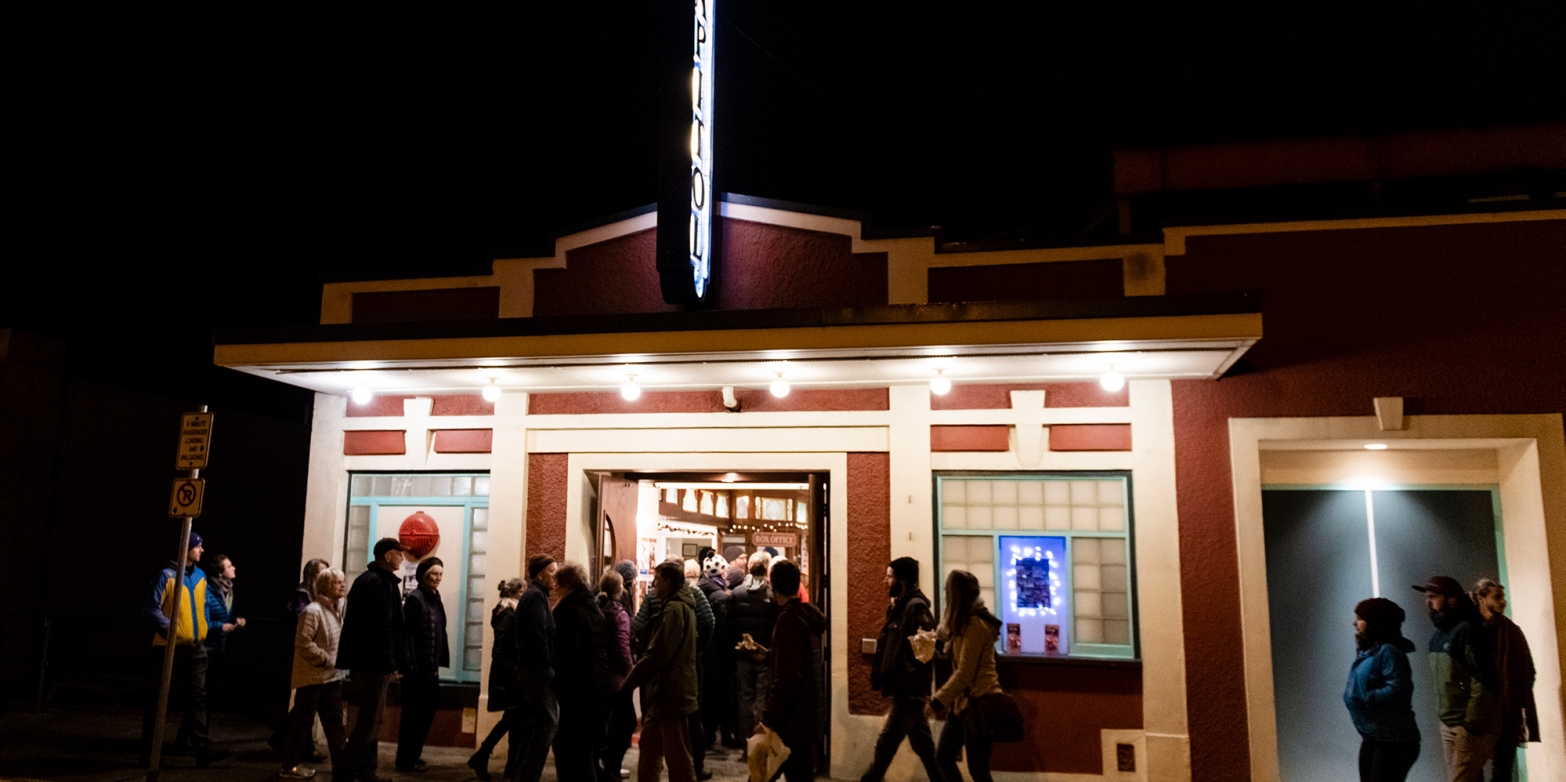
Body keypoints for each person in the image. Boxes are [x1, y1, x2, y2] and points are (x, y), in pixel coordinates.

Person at [140, 530, 229, 767]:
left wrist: (203, 628)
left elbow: (204, 607)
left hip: (195, 647)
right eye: (197, 546)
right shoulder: (166, 575)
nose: (201, 550)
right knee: (160, 699)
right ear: (185, 548)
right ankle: (148, 753)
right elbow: (151, 609)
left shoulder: (199, 576)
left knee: (198, 697)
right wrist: (170, 629)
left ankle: (202, 749)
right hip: (169, 649)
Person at [860, 558, 943, 782]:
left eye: (890, 576)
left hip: (909, 692)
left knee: (885, 747)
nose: (885, 581)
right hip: (906, 690)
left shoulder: (916, 608)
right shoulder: (900, 607)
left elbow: (925, 652)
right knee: (925, 749)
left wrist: (906, 676)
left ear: (903, 579)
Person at [630, 558, 714, 780]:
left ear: (667, 582)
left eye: (656, 581)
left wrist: (630, 680)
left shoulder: (675, 609)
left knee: (677, 755)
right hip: (665, 689)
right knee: (650, 747)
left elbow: (659, 652)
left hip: (671, 690)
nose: (653, 586)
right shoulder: (682, 603)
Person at [337, 538, 412, 782]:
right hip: (372, 663)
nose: (402, 558)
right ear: (388, 556)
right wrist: (391, 663)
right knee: (369, 722)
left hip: (367, 661)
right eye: (399, 554)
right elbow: (383, 627)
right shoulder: (379, 583)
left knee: (373, 720)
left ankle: (367, 771)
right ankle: (345, 772)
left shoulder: (371, 581)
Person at [1413, 575, 1499, 782]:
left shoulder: (1467, 630)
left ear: (1452, 599)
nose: (1428, 601)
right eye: (1427, 597)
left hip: (1467, 726)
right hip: (1450, 723)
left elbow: (1485, 679)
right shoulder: (1439, 635)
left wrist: (1471, 724)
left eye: (1434, 596)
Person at [929, 569, 1003, 782]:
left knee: (978, 769)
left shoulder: (975, 626)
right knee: (943, 756)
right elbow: (944, 632)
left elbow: (964, 673)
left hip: (980, 703)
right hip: (963, 705)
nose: (944, 593)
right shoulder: (961, 624)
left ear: (956, 595)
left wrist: (936, 701)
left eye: (947, 590)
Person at [280, 567, 350, 779]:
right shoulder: (313, 611)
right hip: (312, 678)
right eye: (338, 582)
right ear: (326, 586)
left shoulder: (336, 609)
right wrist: (327, 660)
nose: (343, 586)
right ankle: (290, 765)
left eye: (343, 582)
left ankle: (342, 767)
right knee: (303, 723)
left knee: (335, 724)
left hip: (332, 677)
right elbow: (303, 643)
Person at [760, 560, 826, 782]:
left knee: (761, 774)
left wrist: (769, 717)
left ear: (774, 586)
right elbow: (801, 662)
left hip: (791, 720)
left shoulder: (789, 619)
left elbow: (788, 676)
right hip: (805, 716)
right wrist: (770, 656)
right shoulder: (807, 616)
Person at [1343, 597, 1420, 782]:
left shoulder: (1389, 652)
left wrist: (1366, 697)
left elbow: (1399, 690)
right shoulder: (1369, 651)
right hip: (1374, 736)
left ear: (1374, 622)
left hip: (1394, 740)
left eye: (1360, 618)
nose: (1355, 623)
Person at [1472, 578, 1539, 782]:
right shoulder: (1470, 630)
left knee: (1503, 771)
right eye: (1498, 597)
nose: (1504, 602)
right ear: (1481, 599)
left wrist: (1514, 696)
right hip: (1478, 714)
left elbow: (1529, 670)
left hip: (1506, 714)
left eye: (1503, 597)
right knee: (1473, 770)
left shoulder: (1512, 632)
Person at [552, 562, 613, 782]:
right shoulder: (592, 607)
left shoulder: (569, 611)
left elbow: (569, 655)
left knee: (571, 748)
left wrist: (558, 682)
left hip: (579, 689)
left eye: (557, 583)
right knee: (585, 749)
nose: (554, 588)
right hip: (596, 685)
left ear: (567, 584)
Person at [508, 555, 560, 782]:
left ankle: (521, 772)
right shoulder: (536, 598)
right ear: (540, 574)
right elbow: (539, 636)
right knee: (548, 722)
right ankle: (528, 774)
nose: (556, 577)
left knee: (536, 722)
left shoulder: (535, 597)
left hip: (533, 669)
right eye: (552, 571)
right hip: (537, 671)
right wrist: (548, 665)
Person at [470, 578, 526, 781]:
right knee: (514, 720)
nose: (524, 595)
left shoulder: (507, 613)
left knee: (513, 721)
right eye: (522, 592)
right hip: (509, 676)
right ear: (514, 594)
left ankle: (496, 761)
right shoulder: (508, 615)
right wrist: (505, 678)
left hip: (509, 674)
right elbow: (501, 649)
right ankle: (487, 757)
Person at [397, 557, 450, 773]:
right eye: (433, 574)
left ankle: (413, 756)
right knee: (412, 715)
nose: (437, 578)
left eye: (440, 574)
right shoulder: (416, 599)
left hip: (430, 669)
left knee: (427, 711)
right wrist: (409, 664)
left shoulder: (435, 598)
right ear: (423, 576)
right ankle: (405, 760)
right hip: (416, 670)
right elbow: (407, 635)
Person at [730, 551, 779, 743]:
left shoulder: (737, 593)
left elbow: (731, 623)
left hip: (743, 653)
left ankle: (745, 739)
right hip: (763, 653)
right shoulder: (771, 594)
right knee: (762, 697)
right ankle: (759, 739)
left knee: (745, 697)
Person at [696, 552, 737, 751]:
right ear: (721, 574)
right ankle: (709, 735)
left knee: (705, 695)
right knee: (717, 695)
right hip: (718, 655)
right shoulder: (721, 597)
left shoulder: (698, 591)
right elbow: (723, 632)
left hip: (703, 653)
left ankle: (705, 734)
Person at [598, 571, 635, 782]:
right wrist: (631, 671)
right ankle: (612, 767)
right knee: (626, 722)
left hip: (602, 674)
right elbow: (623, 646)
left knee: (607, 721)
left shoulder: (599, 607)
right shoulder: (619, 613)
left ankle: (607, 764)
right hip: (617, 678)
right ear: (619, 588)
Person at [201, 552, 245, 732]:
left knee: (211, 693)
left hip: (220, 647)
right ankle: (193, 735)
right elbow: (203, 621)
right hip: (207, 648)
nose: (233, 568)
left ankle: (198, 734)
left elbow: (224, 615)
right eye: (229, 566)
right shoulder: (208, 591)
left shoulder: (227, 591)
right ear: (220, 573)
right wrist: (220, 626)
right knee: (204, 694)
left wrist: (236, 620)